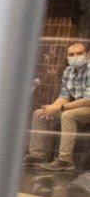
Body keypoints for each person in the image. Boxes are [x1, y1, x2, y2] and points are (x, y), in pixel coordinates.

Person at [31, 41, 90, 169]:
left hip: (87, 106)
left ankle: (65, 160)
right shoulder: (68, 71)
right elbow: (64, 96)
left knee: (68, 116)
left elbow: (87, 100)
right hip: (78, 106)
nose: (75, 57)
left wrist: (58, 108)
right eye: (72, 54)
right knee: (39, 114)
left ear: (88, 55)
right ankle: (38, 155)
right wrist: (50, 108)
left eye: (79, 53)